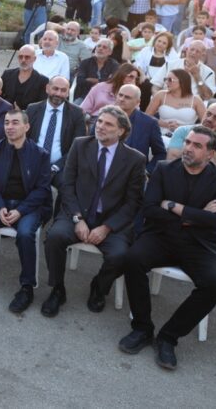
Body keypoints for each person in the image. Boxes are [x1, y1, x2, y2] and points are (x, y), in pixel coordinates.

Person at [119, 127, 216, 371]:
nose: (188, 148)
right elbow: (150, 209)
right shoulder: (164, 169)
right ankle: (142, 328)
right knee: (132, 259)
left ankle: (168, 337)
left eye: (197, 145)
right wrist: (197, 215)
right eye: (187, 142)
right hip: (162, 237)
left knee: (214, 286)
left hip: (200, 244)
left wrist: (173, 206)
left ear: (211, 153)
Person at [41, 105, 146, 319]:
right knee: (54, 237)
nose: (100, 127)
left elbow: (133, 202)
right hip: (77, 212)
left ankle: (99, 287)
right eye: (99, 121)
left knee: (121, 255)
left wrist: (107, 228)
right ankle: (57, 289)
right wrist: (77, 219)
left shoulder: (135, 159)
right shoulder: (80, 145)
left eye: (108, 124)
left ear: (121, 131)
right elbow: (67, 186)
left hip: (111, 220)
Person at [0, 109, 53, 312]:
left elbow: (42, 190)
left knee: (25, 234)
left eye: (15, 123)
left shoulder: (40, 154)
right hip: (1, 203)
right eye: (6, 123)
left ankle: (27, 287)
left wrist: (20, 211)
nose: (9, 127)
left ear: (26, 127)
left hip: (28, 206)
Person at [27, 76, 88, 190]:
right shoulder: (32, 109)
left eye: (63, 90)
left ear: (68, 93)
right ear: (47, 88)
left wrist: (56, 166)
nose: (58, 93)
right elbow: (24, 139)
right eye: (55, 89)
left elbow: (78, 146)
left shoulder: (77, 113)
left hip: (60, 166)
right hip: (32, 162)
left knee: (68, 187)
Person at [166, 102, 216, 174]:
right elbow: (172, 159)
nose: (209, 119)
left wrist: (207, 137)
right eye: (208, 114)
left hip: (213, 180)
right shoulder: (183, 130)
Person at [115, 83, 167, 172]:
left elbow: (160, 153)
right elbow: (93, 143)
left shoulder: (149, 123)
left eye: (127, 97)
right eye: (120, 95)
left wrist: (146, 172)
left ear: (137, 102)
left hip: (134, 174)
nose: (122, 99)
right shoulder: (103, 117)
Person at [145, 69, 206, 136]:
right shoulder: (161, 95)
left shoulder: (196, 100)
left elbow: (205, 123)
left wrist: (183, 127)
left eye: (170, 80)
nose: (166, 82)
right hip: (161, 135)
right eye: (165, 79)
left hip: (186, 137)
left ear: (182, 81)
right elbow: (146, 116)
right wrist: (164, 124)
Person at [1, 45, 50, 110]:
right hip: (4, 113)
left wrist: (22, 113)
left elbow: (41, 106)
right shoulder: (7, 74)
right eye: (20, 57)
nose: (23, 60)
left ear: (34, 59)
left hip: (29, 115)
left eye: (27, 57)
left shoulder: (42, 81)